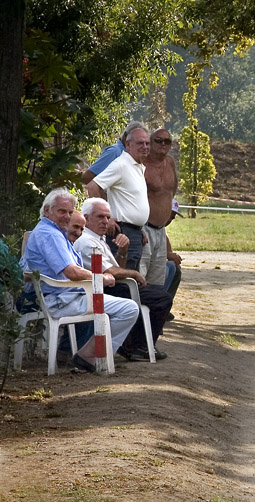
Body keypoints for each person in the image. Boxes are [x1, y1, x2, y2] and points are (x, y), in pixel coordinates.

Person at [20, 189, 138, 372]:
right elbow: (71, 272)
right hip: (60, 300)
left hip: (66, 296)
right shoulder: (49, 234)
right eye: (61, 211)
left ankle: (88, 355)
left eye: (69, 212)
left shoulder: (54, 232)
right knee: (129, 309)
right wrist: (101, 278)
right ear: (47, 211)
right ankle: (89, 357)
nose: (67, 216)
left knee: (124, 304)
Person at [74, 198, 172, 361]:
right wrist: (133, 274)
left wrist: (123, 251)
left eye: (107, 217)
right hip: (101, 289)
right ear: (86, 218)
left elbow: (116, 268)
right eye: (100, 217)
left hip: (112, 285)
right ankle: (137, 346)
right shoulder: (86, 241)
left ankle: (138, 345)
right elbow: (108, 271)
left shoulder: (99, 239)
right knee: (161, 298)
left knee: (158, 294)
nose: (105, 221)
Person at [85, 126, 151, 273]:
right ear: (128, 145)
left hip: (134, 232)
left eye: (147, 143)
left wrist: (140, 230)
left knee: (132, 278)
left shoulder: (137, 166)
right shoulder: (121, 164)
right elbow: (92, 186)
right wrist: (107, 219)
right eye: (140, 143)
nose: (145, 147)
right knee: (125, 279)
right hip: (123, 232)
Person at [140, 128, 180, 287]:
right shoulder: (141, 163)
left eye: (167, 141)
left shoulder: (170, 162)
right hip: (144, 229)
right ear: (150, 142)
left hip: (160, 229)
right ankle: (138, 311)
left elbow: (171, 190)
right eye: (159, 140)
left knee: (157, 280)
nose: (163, 144)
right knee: (141, 278)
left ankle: (156, 311)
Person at [80, 121, 148, 185]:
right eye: (139, 142)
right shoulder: (114, 152)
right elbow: (87, 178)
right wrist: (105, 196)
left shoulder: (130, 155)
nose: (143, 146)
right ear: (126, 136)